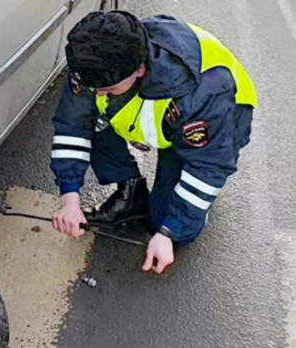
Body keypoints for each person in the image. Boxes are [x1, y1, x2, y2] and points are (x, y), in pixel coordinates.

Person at [50, 11, 256, 274]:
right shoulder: (94, 60)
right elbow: (72, 125)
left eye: (108, 89)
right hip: (159, 108)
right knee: (89, 115)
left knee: (165, 223)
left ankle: (185, 213)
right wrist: (69, 199)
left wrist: (170, 232)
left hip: (220, 124)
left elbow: (208, 166)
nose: (98, 94)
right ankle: (131, 192)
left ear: (140, 68)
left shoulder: (202, 93)